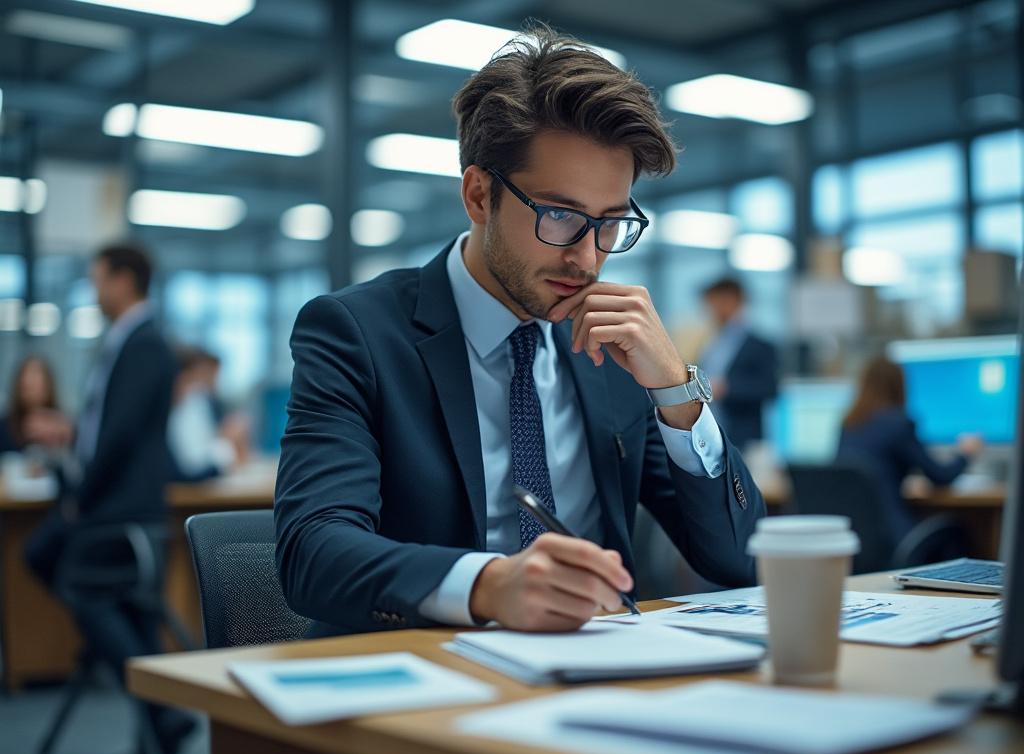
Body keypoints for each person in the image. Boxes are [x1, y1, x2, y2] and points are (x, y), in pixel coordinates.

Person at [276, 26, 765, 639]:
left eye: (610, 223)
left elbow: (737, 557)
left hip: (599, 684)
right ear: (479, 196)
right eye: (559, 217)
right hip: (424, 687)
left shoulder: (612, 350)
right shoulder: (357, 333)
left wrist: (676, 392)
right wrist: (488, 586)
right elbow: (312, 554)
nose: (587, 259)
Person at [23, 243, 193, 754]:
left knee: (81, 586)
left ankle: (163, 711)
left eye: (98, 280)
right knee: (128, 613)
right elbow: (107, 426)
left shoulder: (143, 342)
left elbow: (118, 436)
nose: (94, 292)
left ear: (123, 281)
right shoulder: (125, 340)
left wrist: (81, 497)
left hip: (118, 508)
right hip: (113, 501)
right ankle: (159, 730)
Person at [837, 356, 983, 545]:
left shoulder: (847, 425)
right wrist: (966, 454)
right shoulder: (899, 424)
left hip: (853, 539)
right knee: (961, 534)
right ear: (900, 386)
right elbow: (940, 476)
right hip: (891, 537)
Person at [699, 277, 778, 451]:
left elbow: (770, 388)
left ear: (734, 301)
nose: (711, 310)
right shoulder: (710, 344)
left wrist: (727, 388)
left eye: (717, 302)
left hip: (745, 439)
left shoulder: (760, 345)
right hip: (710, 435)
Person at [167, 346, 249, 482]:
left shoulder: (204, 402)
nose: (213, 380)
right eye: (207, 374)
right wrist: (227, 444)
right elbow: (192, 465)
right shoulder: (186, 404)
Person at [0, 356, 63, 453]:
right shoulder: (5, 426)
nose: (30, 382)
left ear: (48, 386)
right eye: (27, 387)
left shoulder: (61, 426)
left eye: (36, 380)